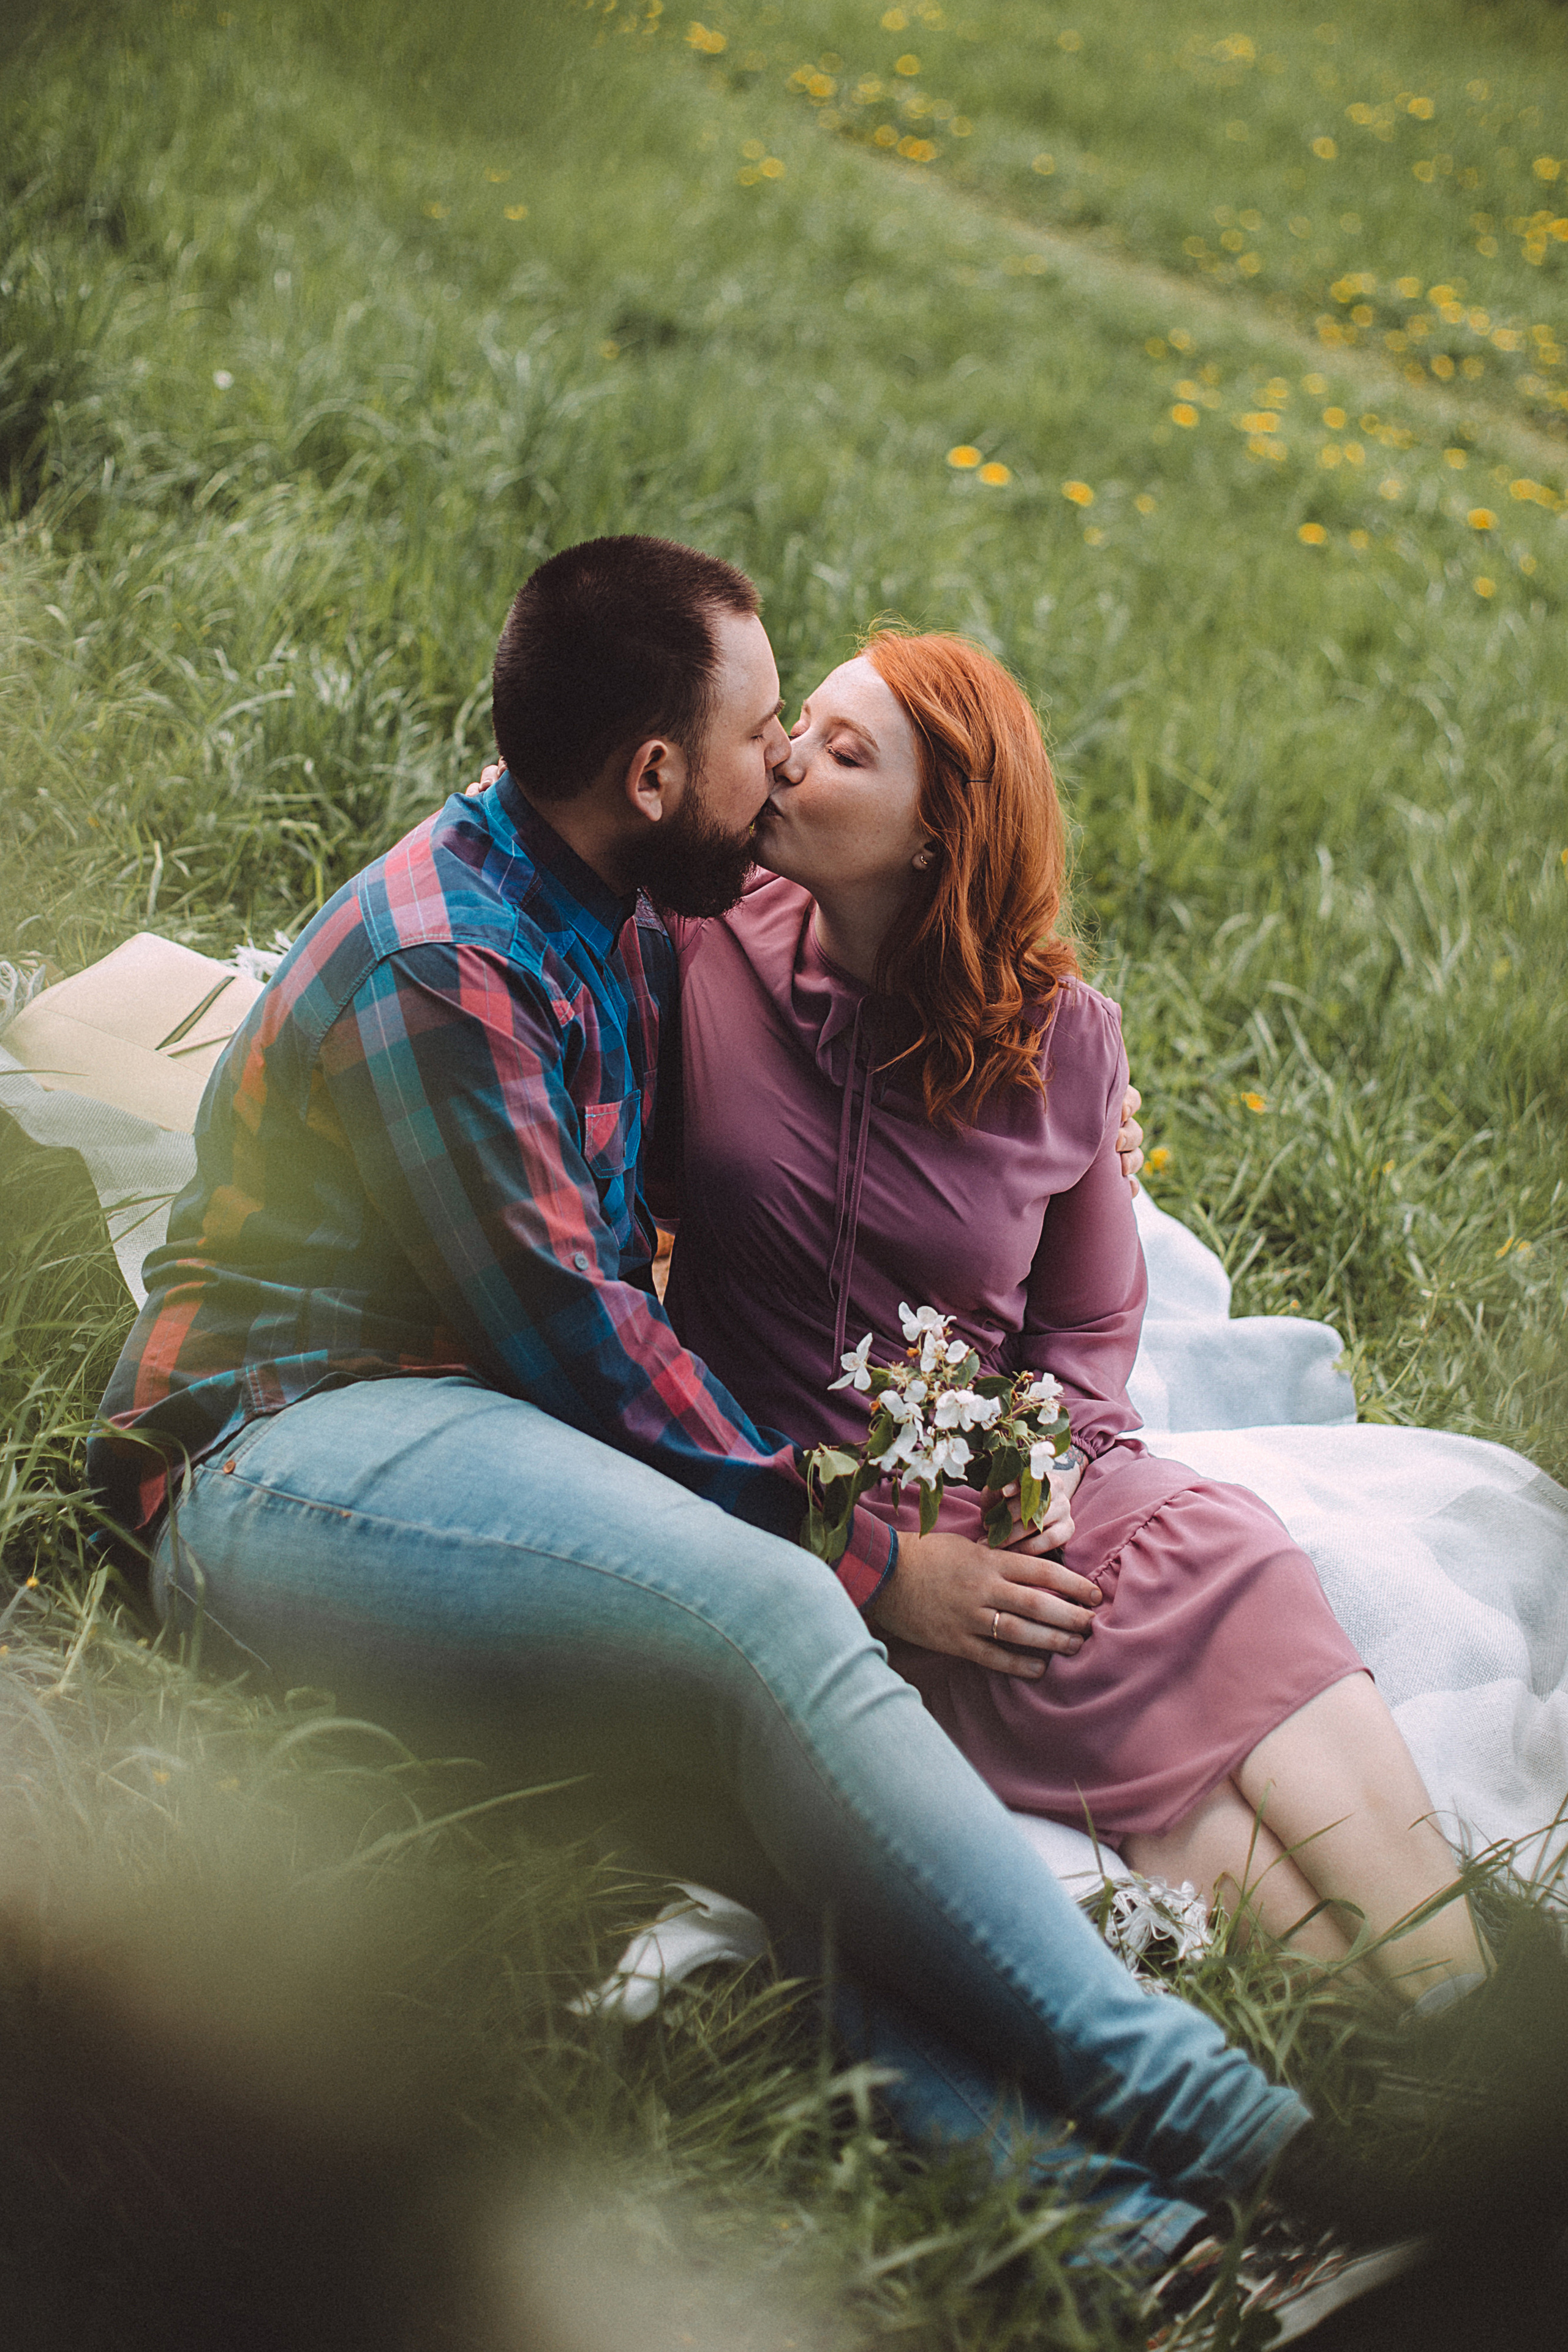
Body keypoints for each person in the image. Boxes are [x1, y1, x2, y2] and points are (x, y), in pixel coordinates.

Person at [81, 537, 1518, 2288]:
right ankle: (1238, 2126)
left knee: (741, 1812)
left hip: (482, 1468)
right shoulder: (451, 971)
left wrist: (1074, 1098)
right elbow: (586, 1348)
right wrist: (866, 1555)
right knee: (768, 1608)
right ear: (659, 775)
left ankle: (1151, 2248)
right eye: (770, 732)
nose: (782, 769)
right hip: (290, 1444)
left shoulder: (614, 889)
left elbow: (912, 1123)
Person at [658, 626, 1487, 2007]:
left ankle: (1492, 2085)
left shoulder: (1063, 1041)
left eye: (844, 751)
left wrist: (1035, 1476)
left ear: (937, 836)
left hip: (1025, 1493)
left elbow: (1082, 1345)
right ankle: (1422, 2100)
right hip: (810, 1524)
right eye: (800, 723)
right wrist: (877, 1557)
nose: (788, 756)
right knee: (1311, 1953)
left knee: (1208, 1564)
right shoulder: (689, 946)